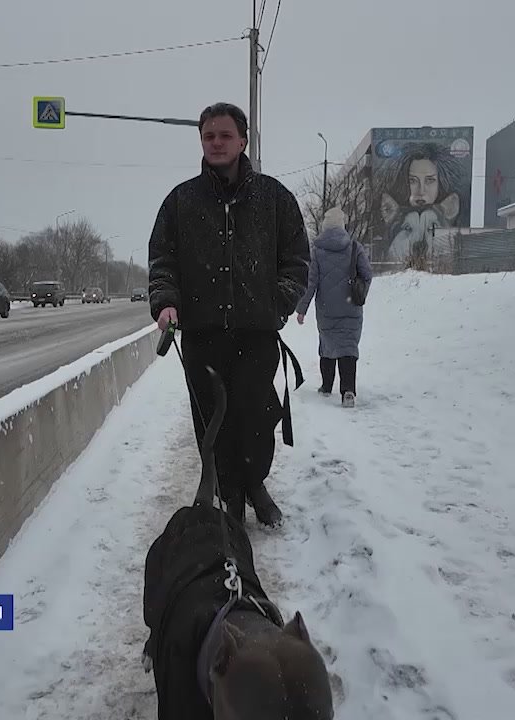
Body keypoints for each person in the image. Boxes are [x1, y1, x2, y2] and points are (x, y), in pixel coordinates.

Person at [148, 102, 310, 528]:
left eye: (224, 135)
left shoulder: (274, 198)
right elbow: (163, 260)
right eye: (208, 136)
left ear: (242, 141)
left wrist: (278, 302)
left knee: (255, 417)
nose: (216, 143)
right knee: (212, 421)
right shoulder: (181, 201)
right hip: (202, 335)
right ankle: (228, 497)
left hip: (256, 335)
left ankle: (254, 484)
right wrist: (166, 301)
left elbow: (296, 260)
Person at [295, 206, 372, 408]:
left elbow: (310, 282)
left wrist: (302, 309)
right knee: (348, 348)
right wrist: (360, 291)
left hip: (326, 309)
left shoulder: (317, 252)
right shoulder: (355, 247)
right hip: (351, 308)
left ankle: (326, 386)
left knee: (327, 346)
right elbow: (367, 274)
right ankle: (348, 391)